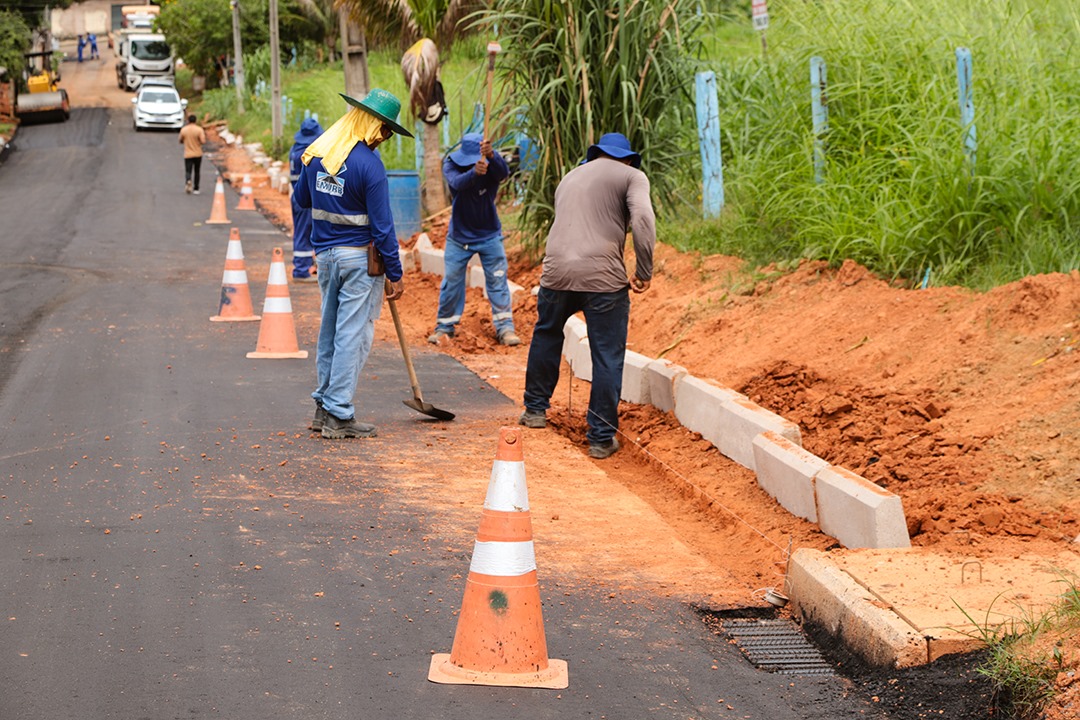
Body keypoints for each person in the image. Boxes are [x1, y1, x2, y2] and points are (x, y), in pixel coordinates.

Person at [520, 132, 656, 459]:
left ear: (596, 155)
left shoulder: (570, 176)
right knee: (607, 355)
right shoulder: (633, 175)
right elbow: (642, 218)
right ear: (625, 158)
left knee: (547, 334)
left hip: (556, 273)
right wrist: (644, 269)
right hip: (603, 279)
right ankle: (600, 437)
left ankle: (535, 411)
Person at [294, 89, 412, 439]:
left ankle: (323, 406)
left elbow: (301, 199)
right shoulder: (369, 165)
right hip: (359, 262)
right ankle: (339, 412)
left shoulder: (319, 153)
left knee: (330, 332)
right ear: (372, 125)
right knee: (353, 335)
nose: (386, 137)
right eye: (386, 130)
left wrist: (328, 187)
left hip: (326, 259)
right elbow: (383, 226)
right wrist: (396, 272)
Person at [428, 132, 520, 347]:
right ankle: (444, 327)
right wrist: (474, 173)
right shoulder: (450, 165)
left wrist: (493, 156)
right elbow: (457, 183)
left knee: (498, 281)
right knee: (452, 281)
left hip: (489, 235)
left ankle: (505, 328)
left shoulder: (491, 166)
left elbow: (503, 173)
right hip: (459, 238)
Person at [288, 117, 324, 282]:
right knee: (304, 232)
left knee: (303, 232)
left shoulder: (294, 149)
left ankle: (307, 265)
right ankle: (301, 269)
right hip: (307, 198)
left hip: (296, 195)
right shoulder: (308, 154)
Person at [178, 114, 206, 194]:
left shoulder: (184, 130)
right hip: (198, 153)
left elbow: (180, 140)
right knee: (197, 171)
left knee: (188, 170)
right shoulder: (199, 130)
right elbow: (203, 141)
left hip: (188, 154)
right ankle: (196, 188)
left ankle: (188, 180)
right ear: (195, 121)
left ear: (188, 121)